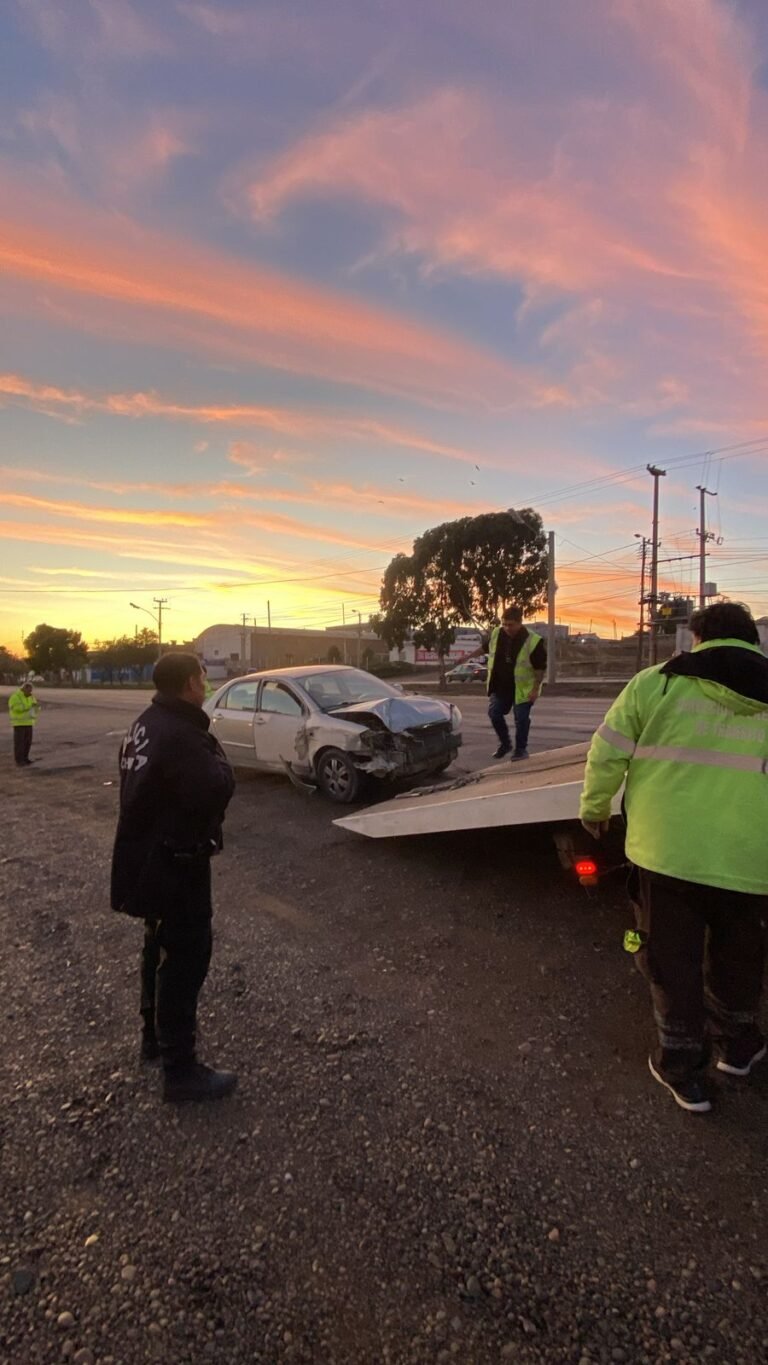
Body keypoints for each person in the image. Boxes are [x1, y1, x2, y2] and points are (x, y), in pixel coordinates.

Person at [580, 602, 768, 1114]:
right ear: (751, 640)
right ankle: (740, 1047)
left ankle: (683, 1070)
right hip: (751, 858)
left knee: (671, 960)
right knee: (740, 954)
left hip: (666, 854)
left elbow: (607, 752)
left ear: (698, 637)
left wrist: (595, 809)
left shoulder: (657, 683)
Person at [111, 651, 237, 1103]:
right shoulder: (182, 733)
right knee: (185, 959)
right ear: (189, 684)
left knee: (158, 948)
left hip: (147, 860)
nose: (206, 682)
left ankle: (153, 1039)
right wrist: (221, 760)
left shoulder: (145, 724)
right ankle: (180, 1071)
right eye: (202, 676)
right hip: (176, 865)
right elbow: (215, 788)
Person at [480, 607, 547, 760]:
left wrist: (535, 689)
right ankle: (505, 744)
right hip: (501, 686)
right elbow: (485, 648)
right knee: (494, 713)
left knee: (521, 718)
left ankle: (521, 750)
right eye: (504, 624)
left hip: (522, 689)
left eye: (510, 625)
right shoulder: (497, 633)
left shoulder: (533, 640)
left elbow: (540, 668)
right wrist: (466, 657)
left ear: (519, 623)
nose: (507, 628)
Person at [8, 681, 40, 766]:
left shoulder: (31, 697)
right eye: (29, 690)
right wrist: (29, 707)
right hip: (19, 723)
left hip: (29, 723)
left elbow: (36, 706)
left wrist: (36, 710)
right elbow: (16, 708)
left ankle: (25, 758)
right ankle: (19, 760)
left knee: (27, 742)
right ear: (24, 688)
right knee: (19, 743)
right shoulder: (15, 696)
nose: (30, 692)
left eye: (31, 690)